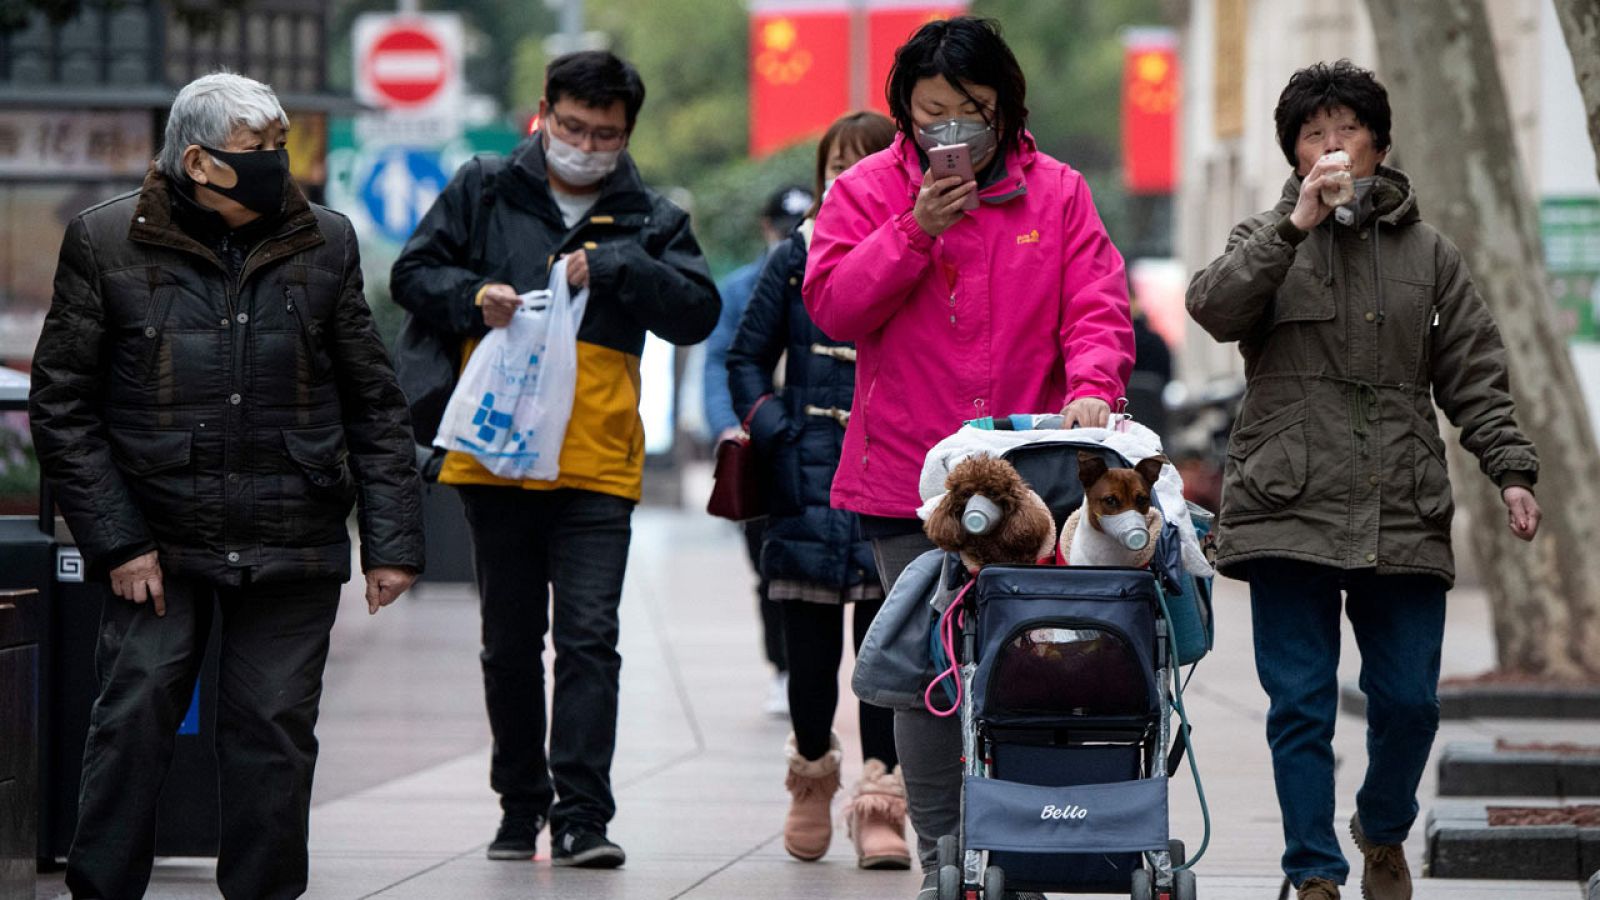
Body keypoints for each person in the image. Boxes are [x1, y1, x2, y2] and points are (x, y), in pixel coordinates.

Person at [29, 71, 424, 899]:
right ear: (201, 162)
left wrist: (392, 543)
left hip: (292, 531)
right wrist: (119, 540)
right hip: (157, 542)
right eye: (261, 150)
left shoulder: (328, 241)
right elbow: (62, 404)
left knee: (274, 734)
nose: (280, 163)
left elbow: (373, 402)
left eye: (281, 146)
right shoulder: (105, 243)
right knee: (134, 720)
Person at [1186, 60, 1541, 900]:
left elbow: (1474, 373)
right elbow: (1213, 308)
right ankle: (1312, 872)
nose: (1331, 145)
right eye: (1313, 134)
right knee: (1301, 705)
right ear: (1294, 155)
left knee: (1410, 701)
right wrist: (1293, 228)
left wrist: (1512, 470)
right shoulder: (1265, 237)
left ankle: (1382, 830)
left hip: (1401, 503)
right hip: (1285, 504)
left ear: (1379, 145)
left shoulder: (1431, 255)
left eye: (1346, 130)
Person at [801, 17, 1134, 895]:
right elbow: (833, 307)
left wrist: (1094, 382)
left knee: (1033, 659)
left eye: (971, 112)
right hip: (907, 479)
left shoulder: (1057, 193)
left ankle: (1024, 838)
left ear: (1005, 108)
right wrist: (911, 232)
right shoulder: (869, 191)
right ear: (905, 114)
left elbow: (1098, 306)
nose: (952, 132)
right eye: (931, 114)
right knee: (928, 668)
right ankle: (945, 852)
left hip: (1035, 481)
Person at [389, 50, 719, 869]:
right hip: (496, 458)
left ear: (626, 134)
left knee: (588, 640)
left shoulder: (647, 216)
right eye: (571, 126)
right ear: (545, 112)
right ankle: (518, 805)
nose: (584, 143)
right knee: (508, 641)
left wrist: (613, 265)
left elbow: (696, 311)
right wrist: (476, 297)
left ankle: (582, 816)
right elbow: (412, 273)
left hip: (597, 465)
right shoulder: (485, 187)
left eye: (603, 133)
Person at [727, 110, 906, 870]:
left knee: (884, 652)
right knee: (806, 656)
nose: (849, 174)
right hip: (804, 479)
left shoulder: (919, 249)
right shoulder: (795, 257)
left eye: (867, 160)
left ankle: (879, 801)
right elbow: (744, 359)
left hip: (890, 474)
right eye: (838, 161)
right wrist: (779, 432)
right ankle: (810, 780)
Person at [703, 183, 814, 718]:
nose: (790, 237)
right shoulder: (742, 288)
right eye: (783, 227)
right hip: (763, 439)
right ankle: (783, 667)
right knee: (769, 561)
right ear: (767, 228)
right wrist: (728, 425)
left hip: (822, 440)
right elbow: (721, 360)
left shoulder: (834, 275)